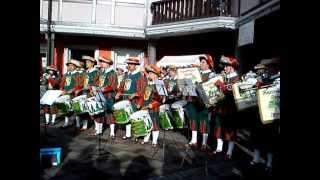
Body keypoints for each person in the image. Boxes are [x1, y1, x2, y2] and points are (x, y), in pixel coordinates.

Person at [250, 58, 280, 173]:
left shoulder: (278, 78)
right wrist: (256, 85)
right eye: (269, 67)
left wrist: (263, 85)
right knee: (257, 135)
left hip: (273, 113)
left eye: (272, 67)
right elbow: (253, 84)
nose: (270, 69)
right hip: (260, 112)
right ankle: (256, 158)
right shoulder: (264, 77)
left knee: (270, 138)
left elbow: (276, 90)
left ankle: (269, 162)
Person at [211, 55, 240, 160]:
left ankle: (229, 151)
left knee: (230, 129)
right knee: (218, 127)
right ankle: (219, 148)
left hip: (230, 107)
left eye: (226, 66)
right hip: (220, 106)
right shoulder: (224, 76)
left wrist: (221, 84)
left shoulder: (237, 77)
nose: (224, 68)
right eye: (224, 66)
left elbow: (230, 90)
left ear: (232, 66)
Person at [115, 57, 146, 140]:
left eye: (130, 64)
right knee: (127, 117)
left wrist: (135, 94)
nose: (128, 66)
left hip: (134, 100)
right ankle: (128, 134)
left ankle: (137, 134)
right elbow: (122, 86)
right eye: (128, 64)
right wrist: (119, 92)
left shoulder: (140, 76)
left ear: (135, 66)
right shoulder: (126, 74)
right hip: (125, 99)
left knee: (134, 117)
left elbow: (143, 90)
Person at [140, 64, 163, 147]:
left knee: (155, 124)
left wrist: (151, 105)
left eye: (150, 73)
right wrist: (141, 104)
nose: (148, 74)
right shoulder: (148, 84)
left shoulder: (159, 84)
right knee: (147, 123)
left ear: (155, 74)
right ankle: (146, 139)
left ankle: (154, 141)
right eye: (148, 73)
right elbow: (144, 95)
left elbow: (161, 99)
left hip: (154, 108)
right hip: (146, 107)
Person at [98, 56, 118, 139]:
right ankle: (99, 130)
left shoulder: (112, 73)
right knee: (100, 112)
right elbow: (99, 83)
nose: (102, 63)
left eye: (103, 62)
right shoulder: (102, 72)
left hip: (109, 96)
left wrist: (104, 88)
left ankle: (112, 132)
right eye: (101, 62)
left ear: (108, 63)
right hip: (101, 95)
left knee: (110, 113)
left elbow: (113, 85)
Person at [80, 55, 100, 135]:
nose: (86, 64)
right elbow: (82, 82)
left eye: (88, 62)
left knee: (93, 109)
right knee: (85, 109)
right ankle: (85, 126)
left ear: (92, 63)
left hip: (92, 93)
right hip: (84, 92)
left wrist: (91, 86)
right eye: (86, 62)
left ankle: (96, 127)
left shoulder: (96, 72)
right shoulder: (85, 72)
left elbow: (98, 83)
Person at [59, 59, 81, 128]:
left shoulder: (77, 74)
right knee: (65, 108)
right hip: (65, 94)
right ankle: (66, 123)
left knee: (76, 108)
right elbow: (62, 84)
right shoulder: (66, 74)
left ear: (75, 67)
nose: (70, 67)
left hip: (74, 94)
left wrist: (72, 90)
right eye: (68, 66)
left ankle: (78, 123)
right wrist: (61, 90)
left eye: (71, 65)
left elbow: (79, 85)